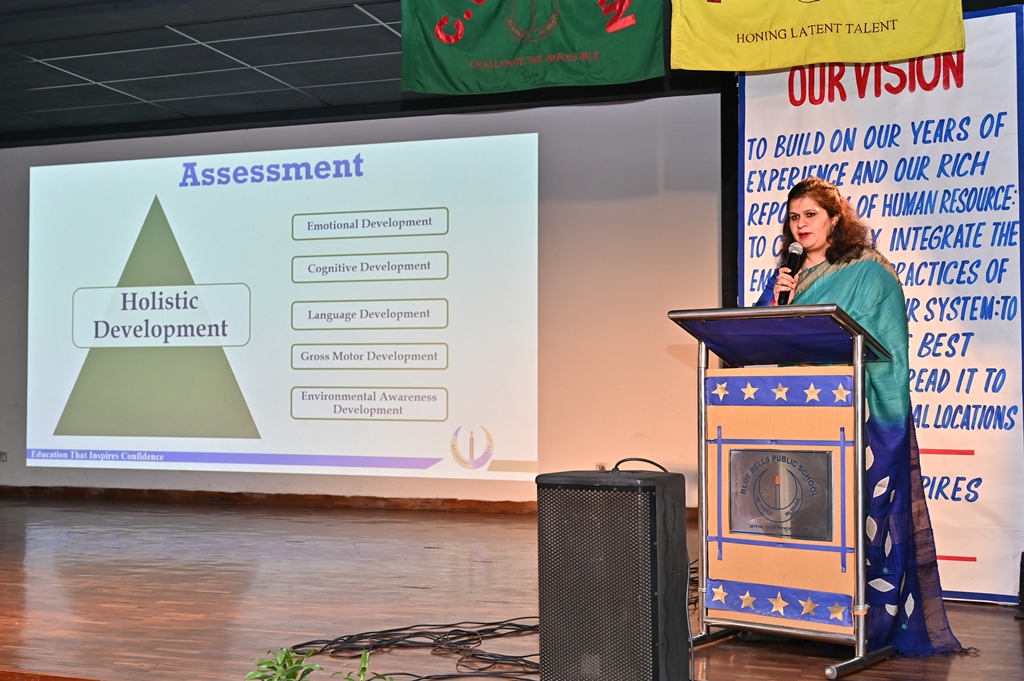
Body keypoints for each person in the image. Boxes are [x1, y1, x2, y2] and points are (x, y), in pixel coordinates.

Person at [755, 177, 960, 655]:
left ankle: (859, 621)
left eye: (810, 214)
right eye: (793, 217)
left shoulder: (868, 271)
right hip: (794, 416)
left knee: (849, 518)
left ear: (835, 219)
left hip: (850, 415)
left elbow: (886, 344)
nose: (800, 224)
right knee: (796, 509)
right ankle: (796, 610)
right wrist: (775, 299)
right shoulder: (786, 277)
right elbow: (762, 335)